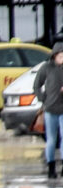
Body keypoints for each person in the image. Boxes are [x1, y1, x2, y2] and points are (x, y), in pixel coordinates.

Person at [33, 43, 63, 178]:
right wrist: (43, 98)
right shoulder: (46, 67)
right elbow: (36, 85)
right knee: (51, 139)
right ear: (55, 55)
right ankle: (51, 167)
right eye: (60, 55)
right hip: (50, 108)